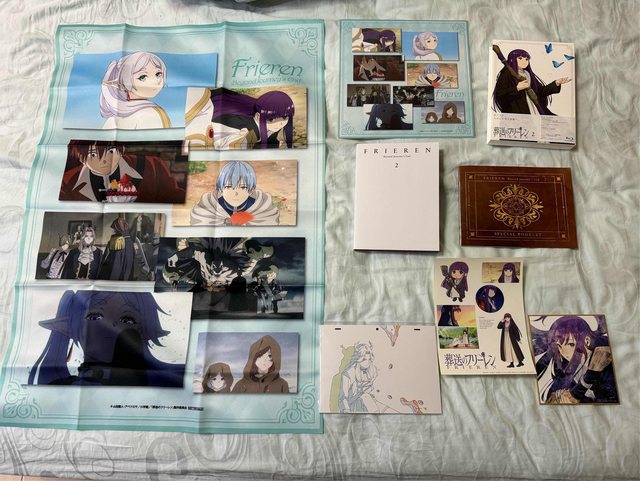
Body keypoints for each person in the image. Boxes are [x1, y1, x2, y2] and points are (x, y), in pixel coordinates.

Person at [28, 290, 185, 387]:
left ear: (144, 330)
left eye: (127, 320)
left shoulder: (174, 379)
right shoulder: (63, 388)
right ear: (75, 327)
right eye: (95, 317)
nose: (111, 326)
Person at [60, 140, 185, 203]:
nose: (104, 160)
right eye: (93, 155)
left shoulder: (153, 167)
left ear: (121, 150)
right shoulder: (66, 182)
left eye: (111, 151)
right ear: (80, 158)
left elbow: (178, 202)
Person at [535, 316, 617, 404]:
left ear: (587, 341)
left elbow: (608, 402)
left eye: (571, 344)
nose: (563, 352)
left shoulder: (602, 353)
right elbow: (554, 393)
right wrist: (562, 396)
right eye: (559, 345)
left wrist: (577, 394)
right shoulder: (567, 364)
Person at [190, 161, 279, 226]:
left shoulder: (261, 205)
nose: (235, 193)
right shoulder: (210, 203)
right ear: (220, 189)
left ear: (251, 191)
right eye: (228, 187)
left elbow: (269, 224)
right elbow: (198, 222)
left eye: (243, 187)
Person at [100, 51, 170, 129]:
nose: (155, 81)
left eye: (158, 74)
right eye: (143, 77)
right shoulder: (151, 113)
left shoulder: (114, 118)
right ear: (124, 81)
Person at [208, 88, 296, 149]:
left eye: (285, 117)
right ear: (258, 116)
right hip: (214, 109)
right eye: (272, 119)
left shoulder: (274, 125)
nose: (280, 123)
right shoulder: (245, 125)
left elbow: (270, 141)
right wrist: (241, 138)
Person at [492, 48, 571, 115]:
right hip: (517, 110)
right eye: (520, 58)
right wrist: (517, 89)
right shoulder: (506, 74)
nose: (525, 61)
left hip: (535, 106)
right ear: (512, 59)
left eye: (527, 59)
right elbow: (500, 94)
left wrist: (556, 83)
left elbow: (540, 91)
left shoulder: (527, 74)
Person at [338, 341, 378, 413]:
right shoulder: (348, 374)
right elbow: (343, 397)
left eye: (369, 359)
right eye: (364, 359)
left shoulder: (373, 370)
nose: (367, 363)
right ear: (358, 359)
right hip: (354, 407)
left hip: (371, 404)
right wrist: (347, 411)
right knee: (366, 398)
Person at [98, 216, 135, 281]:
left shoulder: (114, 240)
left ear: (117, 228)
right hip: (127, 271)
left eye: (114, 229)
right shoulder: (130, 241)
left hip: (114, 271)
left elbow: (107, 256)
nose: (113, 231)